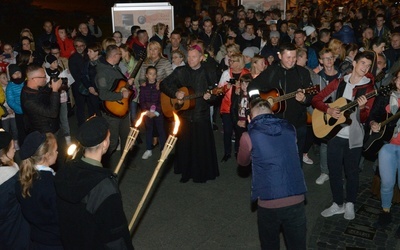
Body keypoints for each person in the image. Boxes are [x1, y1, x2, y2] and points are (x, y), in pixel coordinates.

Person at [312, 51, 375, 220]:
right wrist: (328, 109)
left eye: (368, 65)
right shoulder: (340, 82)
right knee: (334, 171)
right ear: (354, 63)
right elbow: (316, 99)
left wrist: (361, 109)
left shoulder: (368, 88)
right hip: (334, 134)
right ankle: (337, 203)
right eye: (362, 63)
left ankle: (350, 204)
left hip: (353, 137)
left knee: (352, 172)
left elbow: (364, 118)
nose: (365, 68)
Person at [237, 97, 307, 250]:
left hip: (268, 201)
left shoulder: (248, 136)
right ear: (272, 113)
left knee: (269, 245)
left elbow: (242, 162)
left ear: (249, 118)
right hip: (296, 196)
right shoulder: (290, 128)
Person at [54, 116, 134, 249]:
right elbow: (115, 235)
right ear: (105, 144)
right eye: (108, 137)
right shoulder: (105, 187)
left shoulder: (64, 171)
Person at [160, 45, 219, 183]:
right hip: (184, 115)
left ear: (201, 58)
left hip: (201, 115)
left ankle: (201, 173)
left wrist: (210, 97)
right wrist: (175, 92)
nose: (190, 60)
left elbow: (216, 94)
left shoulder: (208, 72)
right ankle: (185, 172)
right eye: (189, 57)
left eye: (194, 57)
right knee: (185, 145)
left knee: (201, 146)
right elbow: (164, 84)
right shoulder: (181, 71)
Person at [248, 43, 313, 166]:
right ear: (280, 56)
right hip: (275, 124)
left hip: (297, 124)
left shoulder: (303, 73)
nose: (292, 60)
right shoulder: (271, 72)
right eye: (288, 57)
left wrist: (305, 98)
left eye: (294, 57)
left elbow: (312, 96)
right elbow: (252, 87)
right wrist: (259, 102)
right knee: (276, 158)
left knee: (296, 159)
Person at [15, 131, 63, 249]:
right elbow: (60, 216)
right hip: (55, 241)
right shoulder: (51, 185)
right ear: (47, 155)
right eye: (56, 150)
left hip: (36, 237)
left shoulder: (21, 180)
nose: (58, 152)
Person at [371, 70, 400, 236]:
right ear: (395, 79)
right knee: (387, 183)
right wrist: (374, 123)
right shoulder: (385, 96)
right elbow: (373, 116)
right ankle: (385, 212)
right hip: (387, 146)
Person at [95, 45, 134, 164]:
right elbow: (103, 95)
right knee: (112, 142)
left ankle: (125, 162)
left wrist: (127, 84)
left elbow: (118, 86)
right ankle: (101, 163)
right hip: (111, 113)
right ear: (113, 56)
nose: (121, 57)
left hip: (122, 109)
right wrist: (121, 96)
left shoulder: (114, 67)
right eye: (119, 55)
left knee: (126, 138)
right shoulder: (102, 72)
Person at [0, 130, 30, 249]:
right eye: (12, 147)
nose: (14, 149)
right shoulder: (12, 181)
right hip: (15, 232)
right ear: (3, 153)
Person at [218, 52, 250, 162]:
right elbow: (218, 90)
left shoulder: (246, 73)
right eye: (230, 60)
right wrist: (226, 88)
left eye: (233, 61)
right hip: (227, 107)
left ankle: (238, 151)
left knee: (239, 131)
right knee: (227, 131)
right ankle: (227, 153)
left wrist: (240, 89)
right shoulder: (226, 74)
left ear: (239, 62)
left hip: (241, 108)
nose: (230, 62)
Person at [20, 64, 62, 134]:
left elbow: (42, 92)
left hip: (51, 128)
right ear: (34, 79)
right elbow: (52, 113)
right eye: (44, 77)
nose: (46, 79)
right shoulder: (28, 101)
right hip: (44, 134)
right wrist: (55, 90)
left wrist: (49, 86)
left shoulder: (33, 88)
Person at [139, 66, 166, 159]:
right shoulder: (143, 87)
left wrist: (156, 112)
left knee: (161, 131)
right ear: (146, 75)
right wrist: (146, 111)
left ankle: (163, 149)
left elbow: (161, 101)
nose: (152, 76)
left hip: (158, 113)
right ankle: (148, 149)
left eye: (154, 74)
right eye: (150, 74)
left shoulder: (159, 87)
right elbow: (142, 101)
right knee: (149, 131)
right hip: (147, 114)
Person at [5, 64, 25, 145]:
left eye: (18, 72)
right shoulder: (10, 86)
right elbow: (10, 101)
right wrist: (21, 109)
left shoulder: (25, 82)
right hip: (19, 112)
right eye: (15, 73)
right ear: (11, 75)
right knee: (21, 130)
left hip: (29, 109)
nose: (17, 74)